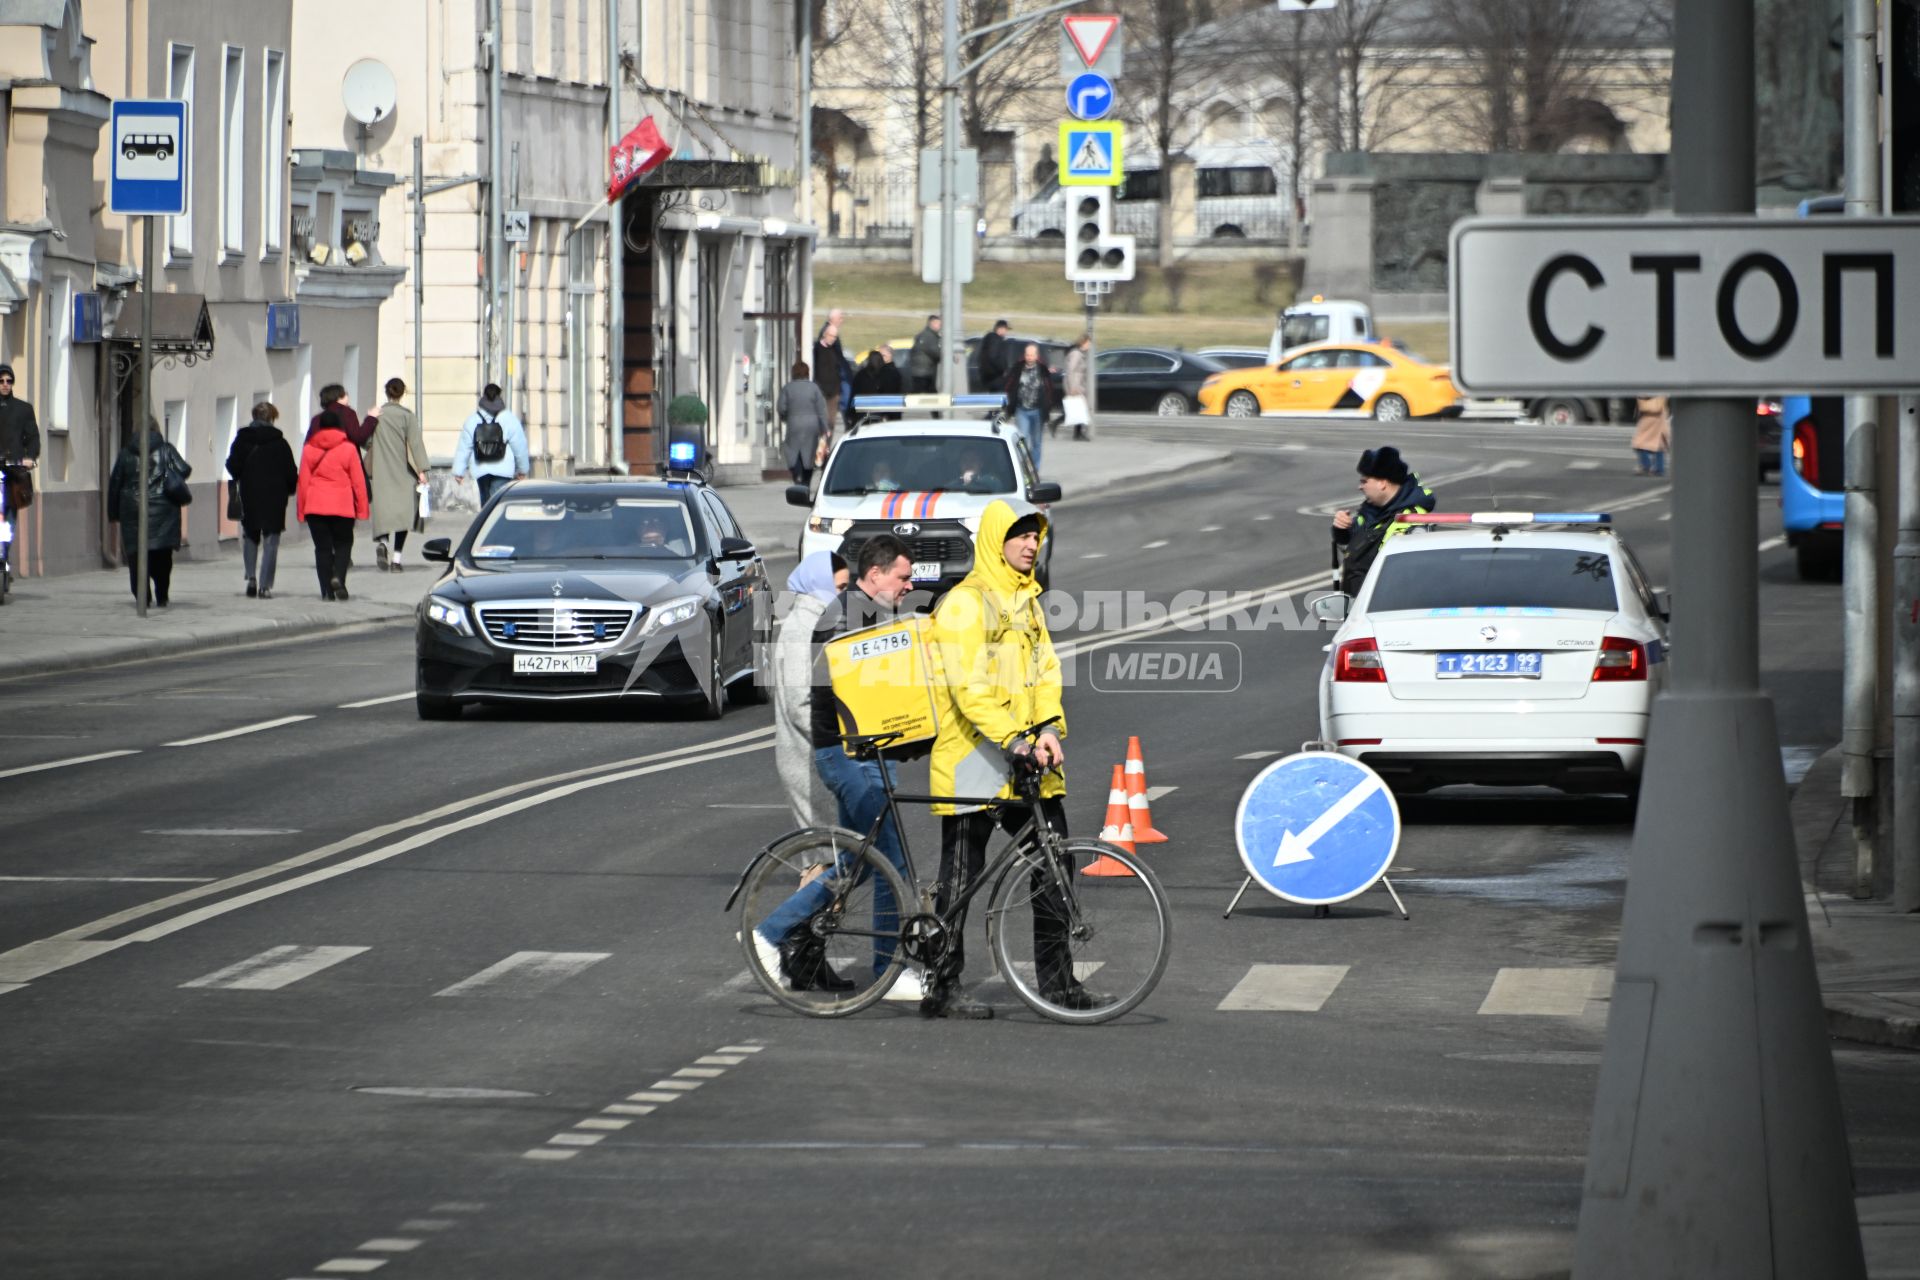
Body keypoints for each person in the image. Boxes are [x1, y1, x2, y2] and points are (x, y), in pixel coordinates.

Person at [926, 499, 1097, 1019]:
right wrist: (1015, 738)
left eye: (1036, 537)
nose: (1031, 545)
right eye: (1021, 536)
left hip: (1025, 760)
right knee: (960, 881)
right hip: (974, 758)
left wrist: (1046, 728)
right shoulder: (965, 602)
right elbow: (968, 687)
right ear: (995, 541)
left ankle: (1059, 986)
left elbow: (1046, 673)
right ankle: (942, 986)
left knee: (1055, 868)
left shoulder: (1029, 603)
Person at [750, 535, 923, 999]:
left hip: (861, 753)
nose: (910, 585)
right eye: (903, 577)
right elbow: (842, 694)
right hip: (851, 756)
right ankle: (889, 971)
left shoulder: (865, 613)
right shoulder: (849, 617)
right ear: (876, 575)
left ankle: (772, 933)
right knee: (890, 863)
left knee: (857, 865)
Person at [774, 550, 849, 828]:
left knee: (828, 855)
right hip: (807, 757)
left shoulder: (817, 620)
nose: (842, 596)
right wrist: (839, 739)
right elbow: (799, 702)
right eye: (839, 588)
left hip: (813, 751)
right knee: (824, 855)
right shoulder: (802, 628)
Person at [106, 419, 191, 608]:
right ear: (157, 430)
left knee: (136, 557)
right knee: (162, 557)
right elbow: (184, 469)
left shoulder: (126, 454)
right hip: (164, 512)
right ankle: (162, 595)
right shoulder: (167, 449)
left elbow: (115, 485)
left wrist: (113, 514)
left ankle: (142, 596)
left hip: (133, 512)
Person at [1332, 446, 1437, 595]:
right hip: (1358, 607)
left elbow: (1408, 576)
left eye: (1364, 481)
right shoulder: (1372, 511)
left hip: (1385, 609)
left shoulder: (1413, 520)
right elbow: (1353, 539)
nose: (1359, 487)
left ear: (1382, 483)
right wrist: (1341, 527)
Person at [225, 402, 299, 599]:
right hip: (275, 497)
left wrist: (244, 475)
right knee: (271, 541)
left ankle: (251, 577)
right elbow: (291, 473)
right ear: (272, 418)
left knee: (250, 535)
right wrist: (289, 490)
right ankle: (265, 586)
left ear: (254, 416)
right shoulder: (280, 443)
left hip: (250, 494)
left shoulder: (242, 440)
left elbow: (231, 465)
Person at [297, 409, 370, 601]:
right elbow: (358, 482)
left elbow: (303, 482)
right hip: (342, 507)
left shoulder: (309, 449)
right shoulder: (348, 449)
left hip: (315, 507)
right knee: (344, 544)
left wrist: (301, 511)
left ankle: (326, 592)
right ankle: (338, 577)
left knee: (322, 549)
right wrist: (362, 509)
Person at [365, 378, 430, 571]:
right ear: (403, 393)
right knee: (404, 514)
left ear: (387, 393)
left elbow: (366, 441)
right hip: (403, 472)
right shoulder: (407, 416)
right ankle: (396, 560)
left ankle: (383, 543)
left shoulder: (378, 415)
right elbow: (416, 444)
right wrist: (422, 470)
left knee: (384, 512)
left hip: (381, 471)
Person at [453, 383, 529, 505]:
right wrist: (522, 469)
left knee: (486, 502)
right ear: (499, 397)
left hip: (480, 469)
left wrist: (459, 471)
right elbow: (519, 446)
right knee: (497, 504)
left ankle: (487, 522)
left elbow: (464, 447)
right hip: (503, 469)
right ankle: (495, 523)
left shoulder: (472, 420)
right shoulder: (509, 419)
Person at [1003, 343, 1056, 474]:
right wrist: (1009, 405)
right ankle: (1021, 469)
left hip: (1038, 410)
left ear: (1036, 356)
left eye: (1032, 355)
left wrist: (1048, 407)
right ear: (1024, 355)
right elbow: (1009, 386)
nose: (1030, 357)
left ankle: (1034, 470)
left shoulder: (1042, 370)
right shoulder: (1018, 368)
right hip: (1022, 410)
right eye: (1027, 355)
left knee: (1037, 442)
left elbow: (1049, 389)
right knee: (1022, 440)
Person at [779, 360, 831, 485]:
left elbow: (781, 407)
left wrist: (786, 417)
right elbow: (821, 409)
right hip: (812, 425)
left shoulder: (788, 388)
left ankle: (797, 474)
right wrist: (825, 427)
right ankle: (806, 479)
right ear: (807, 373)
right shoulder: (814, 388)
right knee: (809, 453)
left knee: (793, 451)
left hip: (794, 423)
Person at [0, 363, 40, 520]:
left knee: (10, 511)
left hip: (13, 470)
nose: (5, 384)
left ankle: (5, 540)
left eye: (8, 381)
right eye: (1, 381)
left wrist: (30, 457)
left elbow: (33, 437)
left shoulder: (23, 409)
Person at [305, 383, 370, 447]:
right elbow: (358, 437)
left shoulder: (316, 419)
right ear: (339, 397)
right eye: (345, 393)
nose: (348, 396)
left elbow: (308, 444)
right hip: (344, 456)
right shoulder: (347, 413)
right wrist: (371, 418)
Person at [1063, 333, 1092, 441]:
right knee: (1081, 409)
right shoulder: (1076, 354)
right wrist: (1072, 388)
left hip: (1078, 385)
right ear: (1084, 343)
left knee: (1081, 409)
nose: (1089, 346)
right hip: (1075, 386)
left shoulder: (1080, 353)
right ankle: (1078, 434)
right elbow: (1070, 370)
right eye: (1088, 343)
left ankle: (1078, 433)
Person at [1632, 395, 1671, 476]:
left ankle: (1647, 466)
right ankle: (1658, 469)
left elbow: (1648, 407)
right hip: (1660, 417)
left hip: (1650, 418)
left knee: (1640, 444)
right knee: (1659, 444)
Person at [909, 314, 942, 394]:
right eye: (939, 324)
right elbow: (937, 353)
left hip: (921, 371)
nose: (940, 327)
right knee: (925, 394)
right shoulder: (929, 336)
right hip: (924, 372)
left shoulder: (924, 335)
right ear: (932, 323)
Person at [976, 319, 1011, 394]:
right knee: (999, 401)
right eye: (1005, 329)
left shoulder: (989, 339)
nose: (1006, 332)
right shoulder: (996, 340)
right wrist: (1003, 369)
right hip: (996, 377)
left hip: (988, 377)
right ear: (1000, 328)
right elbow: (993, 357)